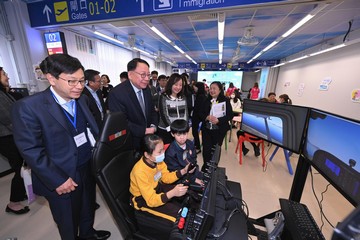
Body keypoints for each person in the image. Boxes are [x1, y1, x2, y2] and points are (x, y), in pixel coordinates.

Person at [11, 54, 111, 240]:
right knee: (68, 220)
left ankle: (88, 234)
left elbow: (91, 130)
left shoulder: (81, 99)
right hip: (61, 176)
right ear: (51, 78)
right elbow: (31, 150)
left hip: (86, 166)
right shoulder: (29, 107)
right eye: (72, 81)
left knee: (88, 206)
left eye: (81, 81)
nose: (79, 86)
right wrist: (57, 179)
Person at [130, 134, 191, 224]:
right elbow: (151, 200)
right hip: (143, 199)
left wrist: (183, 171)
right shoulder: (139, 172)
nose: (163, 153)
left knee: (187, 193)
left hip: (157, 187)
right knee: (179, 215)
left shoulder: (157, 161)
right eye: (159, 151)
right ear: (147, 154)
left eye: (163, 149)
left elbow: (166, 178)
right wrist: (172, 193)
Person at [107, 58, 158, 153]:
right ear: (130, 75)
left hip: (148, 140)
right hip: (130, 143)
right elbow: (121, 122)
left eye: (148, 75)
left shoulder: (146, 89)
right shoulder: (117, 93)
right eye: (143, 75)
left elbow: (152, 111)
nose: (147, 79)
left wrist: (153, 126)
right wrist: (143, 130)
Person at [0, 67, 29, 215]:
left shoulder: (4, 93)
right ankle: (13, 202)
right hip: (7, 138)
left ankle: (21, 193)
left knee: (22, 166)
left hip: (13, 135)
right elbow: (8, 118)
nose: (7, 77)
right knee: (18, 168)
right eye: (4, 74)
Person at [199, 81, 233, 171]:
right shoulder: (206, 100)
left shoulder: (225, 100)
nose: (212, 90)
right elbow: (200, 113)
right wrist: (206, 117)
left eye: (214, 88)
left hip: (219, 130)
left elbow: (230, 115)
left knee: (215, 150)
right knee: (206, 150)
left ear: (220, 90)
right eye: (211, 88)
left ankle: (213, 167)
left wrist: (219, 120)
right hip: (207, 130)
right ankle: (206, 166)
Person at [165, 119, 203, 185]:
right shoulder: (170, 153)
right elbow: (176, 172)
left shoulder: (190, 143)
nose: (182, 137)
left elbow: (194, 160)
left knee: (208, 180)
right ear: (172, 134)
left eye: (184, 134)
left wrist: (195, 171)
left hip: (192, 172)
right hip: (180, 179)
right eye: (178, 135)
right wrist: (194, 179)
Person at [158, 73, 188, 144]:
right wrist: (171, 128)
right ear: (171, 84)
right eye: (176, 84)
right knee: (168, 151)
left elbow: (186, 113)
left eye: (180, 85)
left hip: (180, 131)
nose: (178, 87)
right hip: (166, 130)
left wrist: (185, 127)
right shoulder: (164, 97)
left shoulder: (183, 97)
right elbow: (163, 114)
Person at [191, 82, 207, 153]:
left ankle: (197, 146)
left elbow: (198, 108)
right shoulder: (202, 95)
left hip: (197, 117)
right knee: (195, 132)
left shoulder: (200, 97)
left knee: (195, 131)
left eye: (195, 86)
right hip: (198, 116)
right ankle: (196, 145)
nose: (194, 88)